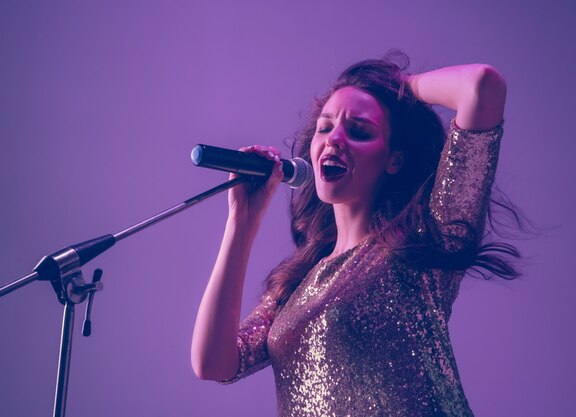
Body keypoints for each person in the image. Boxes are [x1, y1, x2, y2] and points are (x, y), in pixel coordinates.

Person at [191, 52, 519, 417]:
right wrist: (242, 222)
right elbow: (213, 362)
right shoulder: (297, 283)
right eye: (325, 127)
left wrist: (394, 87)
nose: (333, 141)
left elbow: (482, 86)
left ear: (394, 159)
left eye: (359, 131)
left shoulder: (422, 242)